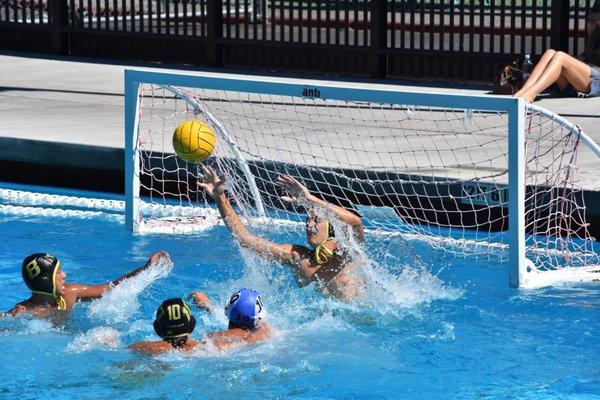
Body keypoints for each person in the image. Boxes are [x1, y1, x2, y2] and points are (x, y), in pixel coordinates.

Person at [198, 166, 365, 301]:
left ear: (333, 225)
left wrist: (310, 200)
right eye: (307, 220)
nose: (309, 225)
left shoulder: (348, 251)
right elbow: (245, 239)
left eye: (317, 220)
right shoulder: (299, 257)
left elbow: (356, 222)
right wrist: (220, 198)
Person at [5, 250, 170, 318]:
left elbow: (111, 287)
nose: (65, 275)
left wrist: (146, 267)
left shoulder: (71, 294)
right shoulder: (23, 313)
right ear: (46, 281)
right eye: (59, 272)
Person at [129, 288, 271, 355]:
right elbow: (262, 331)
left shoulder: (139, 348)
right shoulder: (211, 346)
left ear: (156, 328)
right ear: (192, 325)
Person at [513, 13, 600, 102]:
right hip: (576, 84)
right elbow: (586, 57)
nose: (587, 25)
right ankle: (523, 91)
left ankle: (530, 94)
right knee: (550, 53)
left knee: (560, 56)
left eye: (590, 22)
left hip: (596, 82)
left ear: (597, 23)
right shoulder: (593, 39)